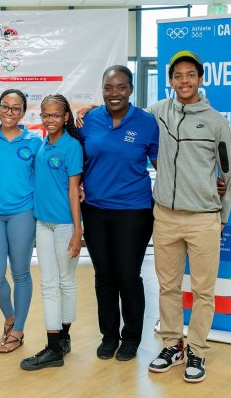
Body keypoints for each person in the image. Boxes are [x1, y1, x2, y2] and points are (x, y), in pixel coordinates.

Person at [146, 50, 231, 383]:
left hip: (203, 219)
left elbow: (229, 171)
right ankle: (172, 345)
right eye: (178, 76)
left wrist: (222, 217)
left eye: (190, 75)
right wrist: (90, 110)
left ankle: (197, 349)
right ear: (170, 81)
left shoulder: (216, 121)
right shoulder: (158, 112)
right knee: (167, 287)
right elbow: (126, 117)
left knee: (203, 291)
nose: (184, 81)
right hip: (165, 216)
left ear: (200, 79)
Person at [79, 66, 159, 363]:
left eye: (121, 87)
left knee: (127, 276)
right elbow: (75, 159)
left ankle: (131, 338)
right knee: (104, 276)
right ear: (102, 90)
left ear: (131, 89)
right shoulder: (89, 120)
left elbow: (165, 166)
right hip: (95, 210)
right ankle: (109, 336)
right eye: (109, 87)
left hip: (133, 211)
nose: (115, 93)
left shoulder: (147, 122)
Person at [20, 94, 83, 371]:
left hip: (64, 225)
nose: (50, 119)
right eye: (45, 115)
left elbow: (74, 190)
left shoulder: (72, 147)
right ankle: (56, 345)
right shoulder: (42, 144)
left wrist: (77, 231)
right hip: (42, 223)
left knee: (66, 281)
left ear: (66, 117)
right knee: (49, 283)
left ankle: (60, 341)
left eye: (56, 115)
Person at [0, 89, 43, 353]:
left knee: (20, 273)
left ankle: (17, 332)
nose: (9, 112)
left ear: (23, 112)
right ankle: (10, 317)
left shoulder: (34, 141)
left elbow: (46, 176)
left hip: (22, 213)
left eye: (16, 108)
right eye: (5, 106)